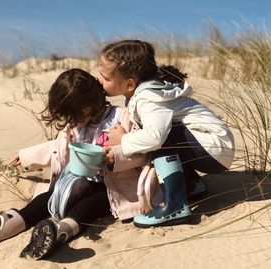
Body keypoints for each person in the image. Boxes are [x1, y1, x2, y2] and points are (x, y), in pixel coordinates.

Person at [0, 68, 150, 260]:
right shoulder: (75, 127)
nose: (71, 121)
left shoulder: (121, 118)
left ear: (87, 108)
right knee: (47, 198)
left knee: (88, 206)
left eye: (73, 115)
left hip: (112, 189)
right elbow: (57, 147)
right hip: (76, 182)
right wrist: (27, 156)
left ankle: (60, 232)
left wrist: (115, 154)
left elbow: (142, 152)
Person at [98, 39, 235, 227]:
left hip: (214, 149)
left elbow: (155, 137)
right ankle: (192, 184)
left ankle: (175, 206)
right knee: (163, 134)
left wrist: (124, 140)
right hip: (214, 147)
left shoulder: (149, 98)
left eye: (105, 78)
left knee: (159, 138)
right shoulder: (142, 93)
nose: (100, 81)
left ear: (130, 84)